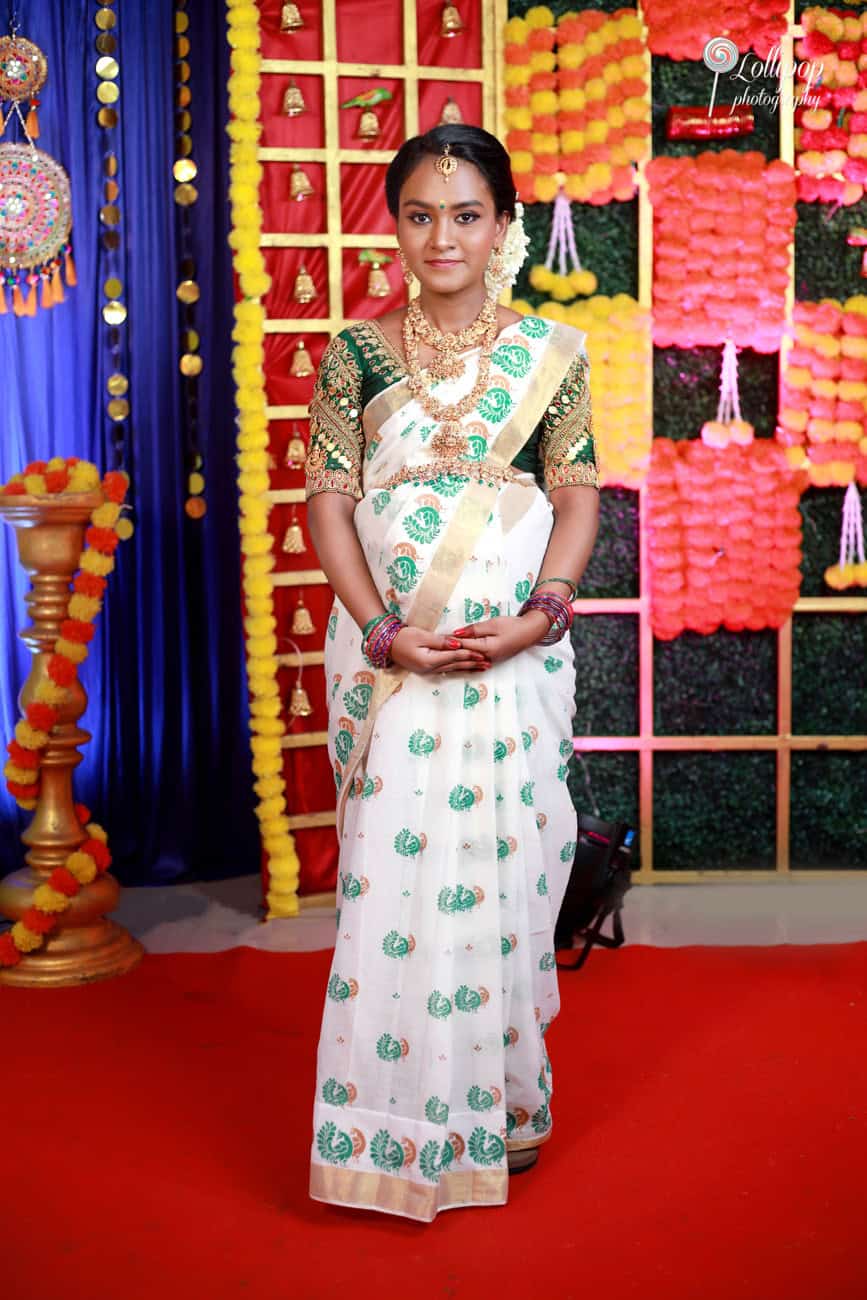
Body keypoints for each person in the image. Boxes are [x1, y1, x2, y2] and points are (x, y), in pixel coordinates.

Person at [304, 124, 600, 1223]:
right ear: (396, 224)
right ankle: (393, 1125)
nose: (444, 236)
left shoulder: (551, 353)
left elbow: (576, 496)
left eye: (467, 214)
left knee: (513, 869)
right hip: (394, 666)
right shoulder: (359, 353)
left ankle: (506, 1104)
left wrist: (541, 618)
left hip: (509, 671)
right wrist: (382, 629)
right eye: (421, 214)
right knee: (393, 884)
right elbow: (326, 504)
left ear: (506, 226)